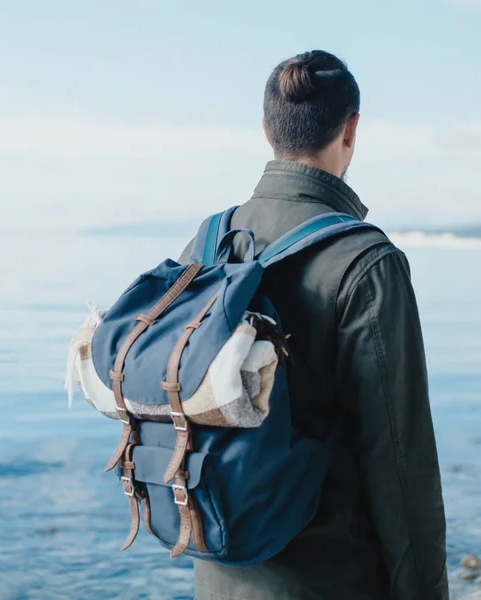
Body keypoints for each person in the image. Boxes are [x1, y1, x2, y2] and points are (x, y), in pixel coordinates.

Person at [180, 50, 449, 600]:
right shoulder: (365, 262)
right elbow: (401, 462)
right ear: (350, 130)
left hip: (218, 574)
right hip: (332, 580)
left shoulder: (206, 244)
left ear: (266, 130)